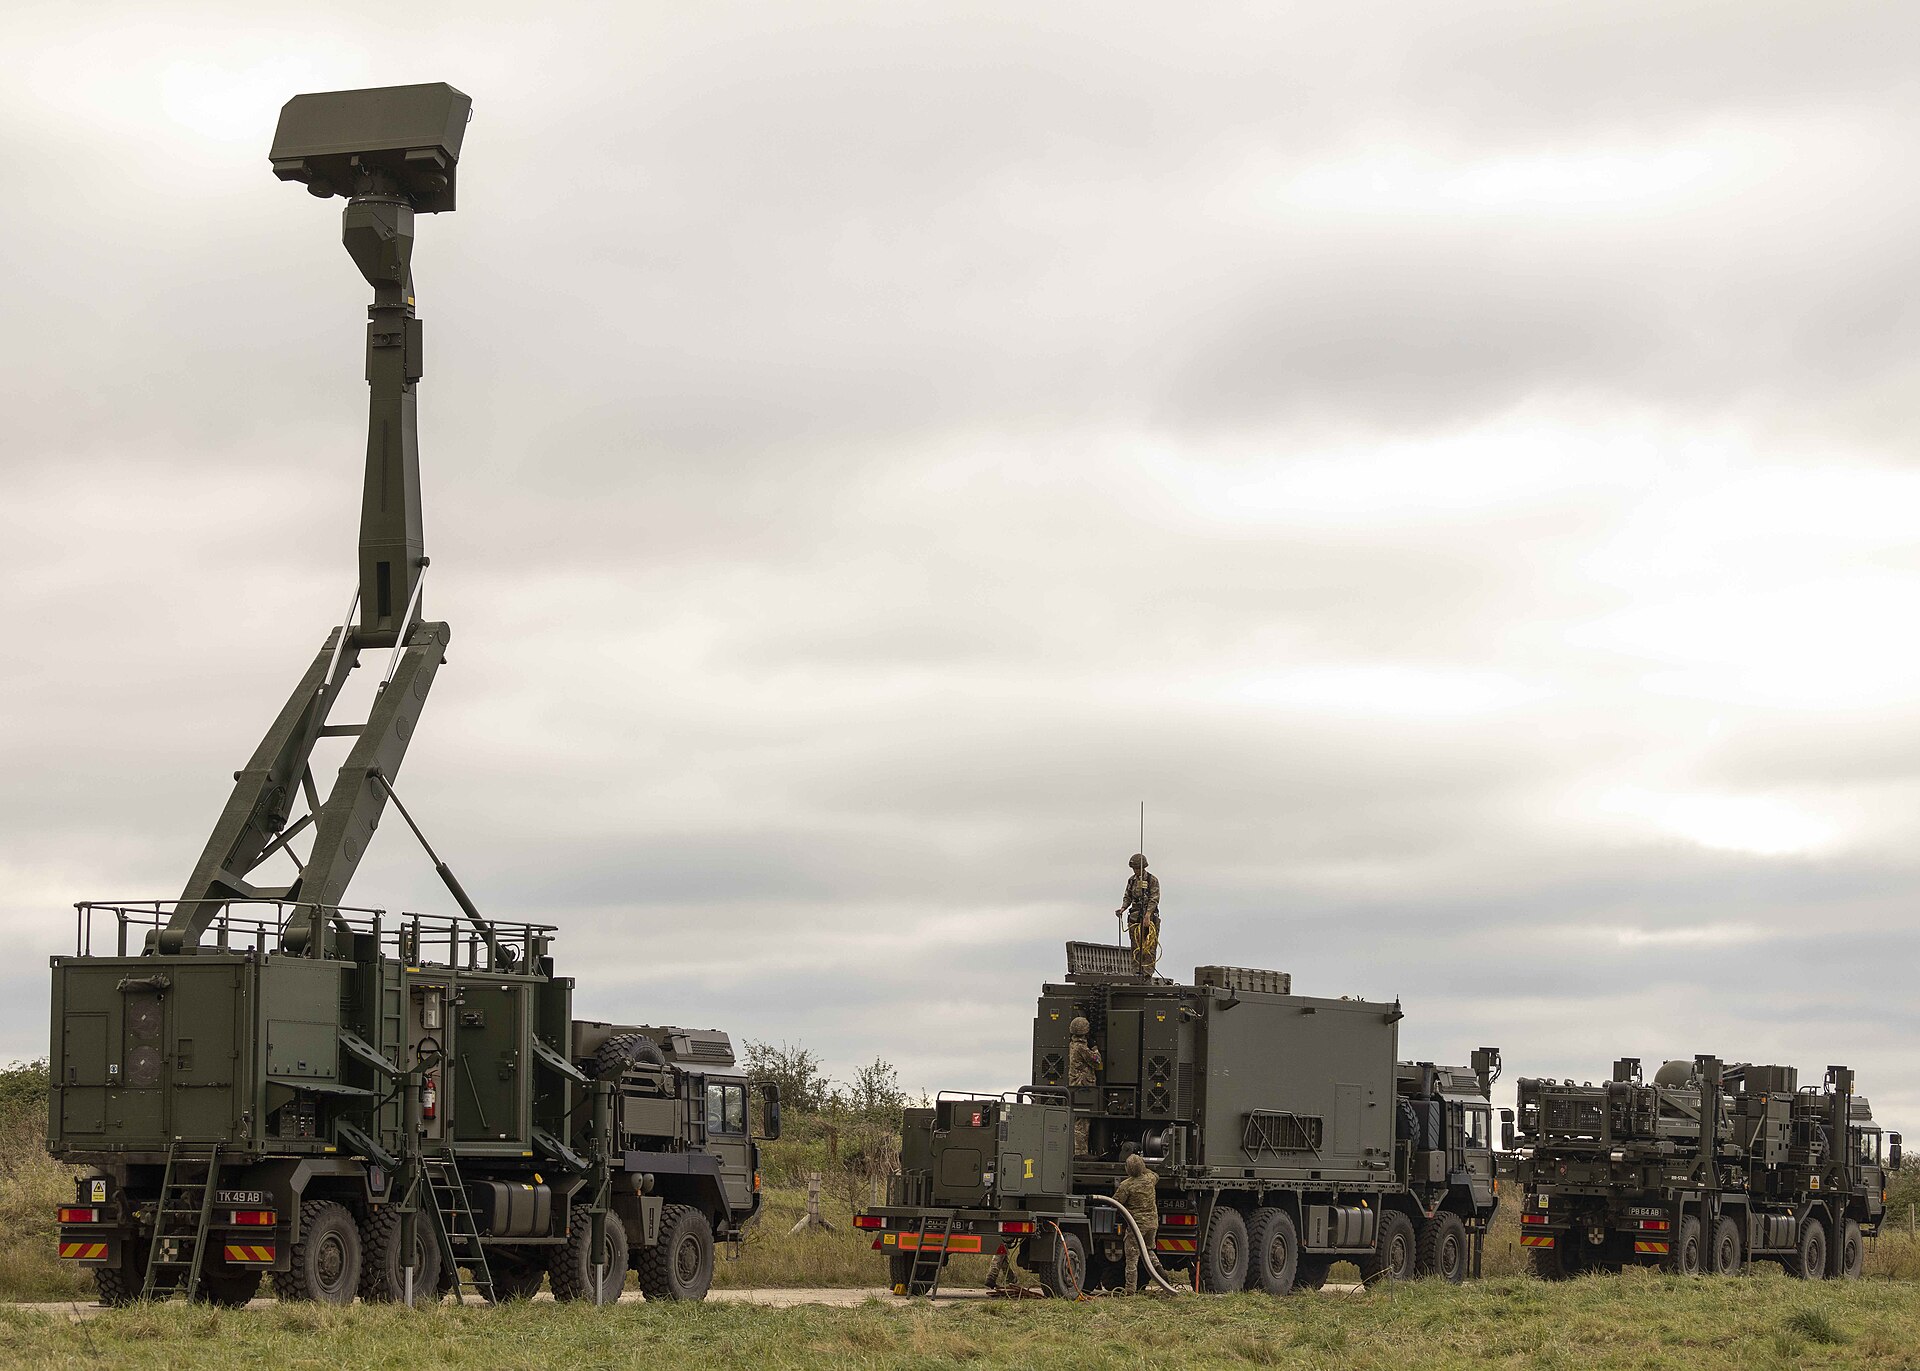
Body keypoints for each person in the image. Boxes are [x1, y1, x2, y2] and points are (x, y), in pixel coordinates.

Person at [1113, 1152, 1160, 1295]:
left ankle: (1130, 1291)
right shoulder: (1150, 1180)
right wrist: (1144, 1169)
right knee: (1148, 1250)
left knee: (1132, 1259)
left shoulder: (1126, 1185)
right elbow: (1156, 1175)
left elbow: (1116, 1202)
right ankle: (1159, 1268)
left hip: (1136, 1227)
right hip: (1152, 1224)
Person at [1116, 854, 1160, 977]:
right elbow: (1128, 896)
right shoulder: (1131, 880)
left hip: (1149, 918)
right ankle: (1136, 974)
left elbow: (1154, 899)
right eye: (1134, 868)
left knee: (1149, 947)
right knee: (1136, 947)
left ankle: (1147, 975)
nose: (1136, 871)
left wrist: (1148, 915)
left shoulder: (1152, 880)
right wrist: (1123, 908)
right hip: (1135, 917)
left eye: (1137, 868)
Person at [1068, 1016, 1102, 1156]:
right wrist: (1095, 1048)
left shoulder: (1072, 1045)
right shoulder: (1081, 1047)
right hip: (1083, 1087)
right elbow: (1097, 1061)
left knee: (1080, 1119)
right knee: (1082, 1122)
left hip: (1077, 1086)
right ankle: (1080, 1153)